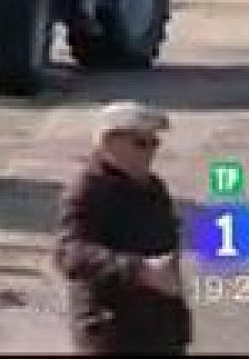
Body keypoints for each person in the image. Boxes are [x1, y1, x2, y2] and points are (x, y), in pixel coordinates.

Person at [55, 100, 192, 355]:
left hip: (159, 332)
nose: (151, 152)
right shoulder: (86, 191)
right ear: (109, 143)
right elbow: (70, 254)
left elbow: (167, 258)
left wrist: (179, 326)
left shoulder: (154, 188)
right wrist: (137, 269)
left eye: (155, 143)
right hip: (111, 331)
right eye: (141, 143)